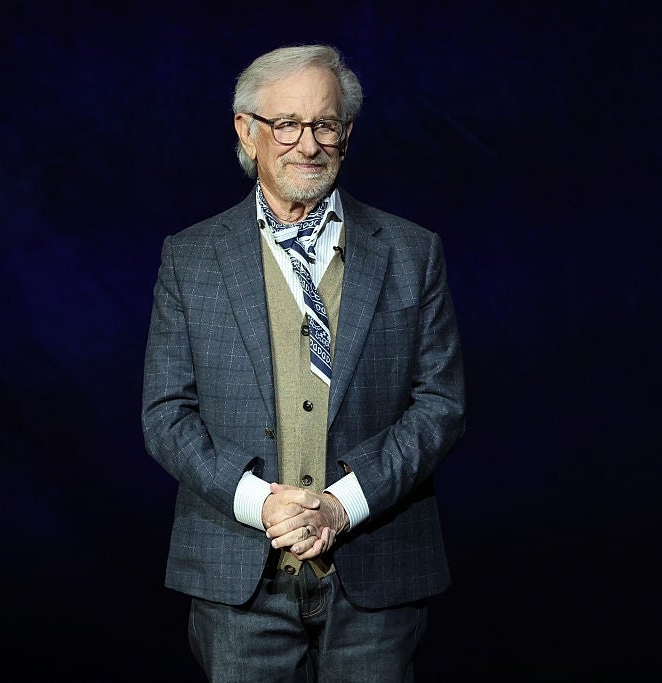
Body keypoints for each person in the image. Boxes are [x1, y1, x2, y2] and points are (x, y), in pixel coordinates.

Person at [141, 43, 466, 682]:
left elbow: (441, 406)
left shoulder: (412, 252)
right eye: (287, 124)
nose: (308, 145)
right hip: (238, 579)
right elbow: (165, 416)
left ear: (347, 134)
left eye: (325, 125)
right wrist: (259, 503)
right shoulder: (190, 258)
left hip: (377, 573)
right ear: (248, 132)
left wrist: (344, 504)